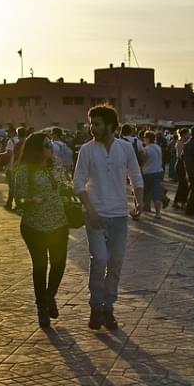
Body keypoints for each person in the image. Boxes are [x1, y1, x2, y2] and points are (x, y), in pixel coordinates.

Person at [73, 105, 143, 331]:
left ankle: (108, 308)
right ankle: (95, 306)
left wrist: (139, 201)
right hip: (95, 215)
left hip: (119, 216)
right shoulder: (87, 150)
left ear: (111, 125)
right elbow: (78, 182)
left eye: (97, 124)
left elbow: (135, 175)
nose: (93, 128)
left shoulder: (125, 148)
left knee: (115, 263)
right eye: (91, 123)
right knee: (100, 259)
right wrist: (90, 210)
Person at [13, 132, 69, 328]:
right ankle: (41, 307)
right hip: (34, 226)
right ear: (36, 149)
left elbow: (65, 187)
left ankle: (49, 296)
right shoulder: (24, 171)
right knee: (40, 266)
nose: (51, 147)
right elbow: (18, 201)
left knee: (59, 264)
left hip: (59, 224)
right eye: (47, 145)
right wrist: (31, 201)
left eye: (51, 143)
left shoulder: (57, 165)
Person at [140, 130, 164, 218]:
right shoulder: (158, 147)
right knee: (156, 193)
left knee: (143, 192)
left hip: (148, 173)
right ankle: (158, 213)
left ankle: (140, 211)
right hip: (159, 171)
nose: (143, 139)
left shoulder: (146, 149)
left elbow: (143, 161)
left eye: (145, 138)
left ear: (148, 139)